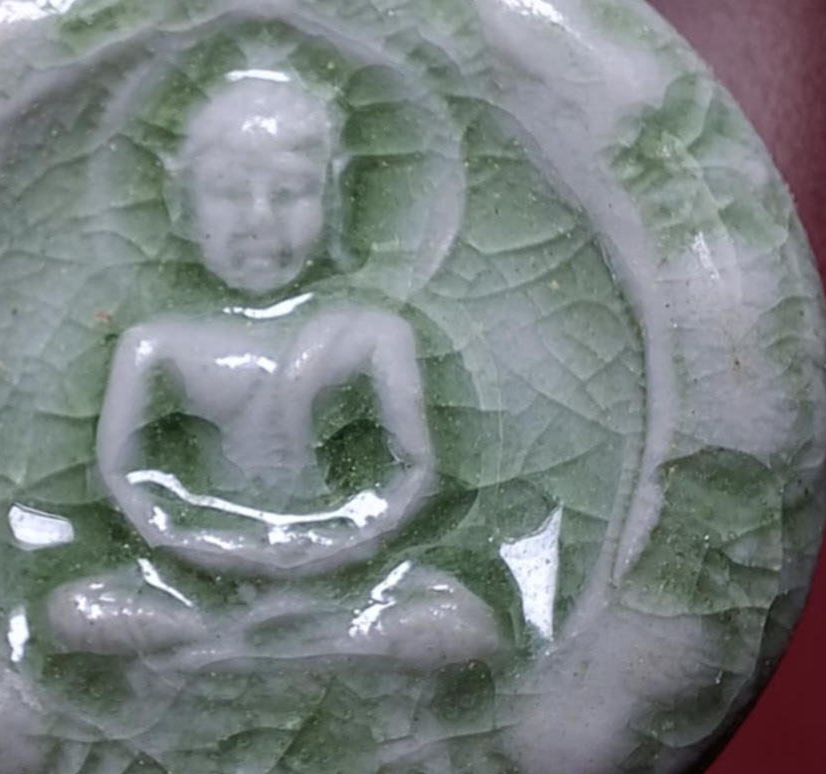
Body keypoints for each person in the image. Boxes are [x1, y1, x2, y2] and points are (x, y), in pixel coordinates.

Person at [47, 73, 496, 669]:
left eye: (289, 192)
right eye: (229, 192)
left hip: (349, 574)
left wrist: (343, 539)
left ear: (334, 198)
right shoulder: (153, 345)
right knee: (74, 612)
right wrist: (199, 541)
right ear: (182, 203)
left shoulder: (374, 333)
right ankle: (294, 646)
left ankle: (237, 652)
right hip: (193, 578)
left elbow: (413, 467)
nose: (259, 219)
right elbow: (123, 475)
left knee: (462, 623)